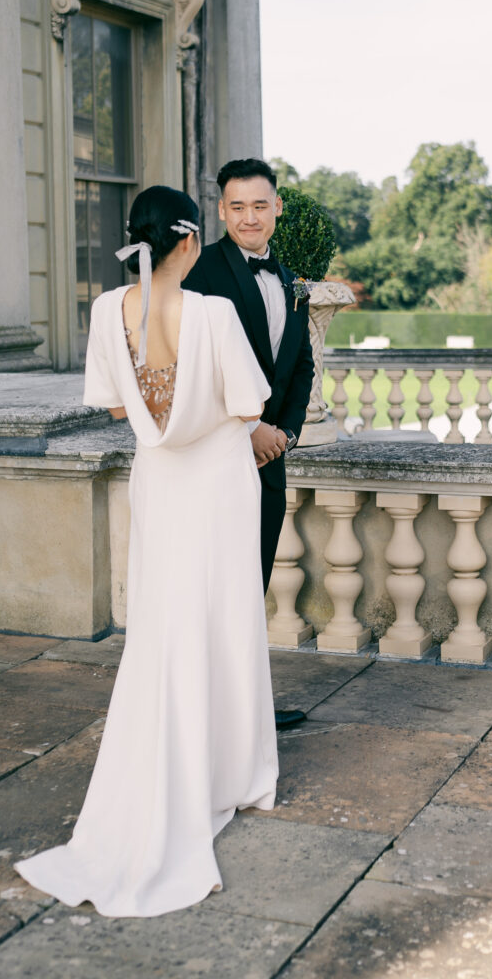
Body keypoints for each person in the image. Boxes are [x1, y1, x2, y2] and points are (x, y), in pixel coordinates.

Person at [14, 185, 278, 918]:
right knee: (224, 624)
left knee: (163, 629)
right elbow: (249, 406)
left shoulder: (107, 311)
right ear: (189, 243)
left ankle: (169, 764)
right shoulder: (215, 312)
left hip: (159, 485)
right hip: (219, 488)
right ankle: (233, 774)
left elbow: (110, 403)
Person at [184, 158, 314, 730]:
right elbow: (193, 370)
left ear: (276, 207)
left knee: (250, 590)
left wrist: (283, 433)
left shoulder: (291, 280)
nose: (249, 217)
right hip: (217, 463)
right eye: (237, 207)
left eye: (259, 205)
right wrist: (248, 429)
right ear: (221, 210)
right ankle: (206, 716)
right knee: (213, 593)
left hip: (268, 465)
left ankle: (246, 715)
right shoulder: (199, 273)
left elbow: (301, 367)